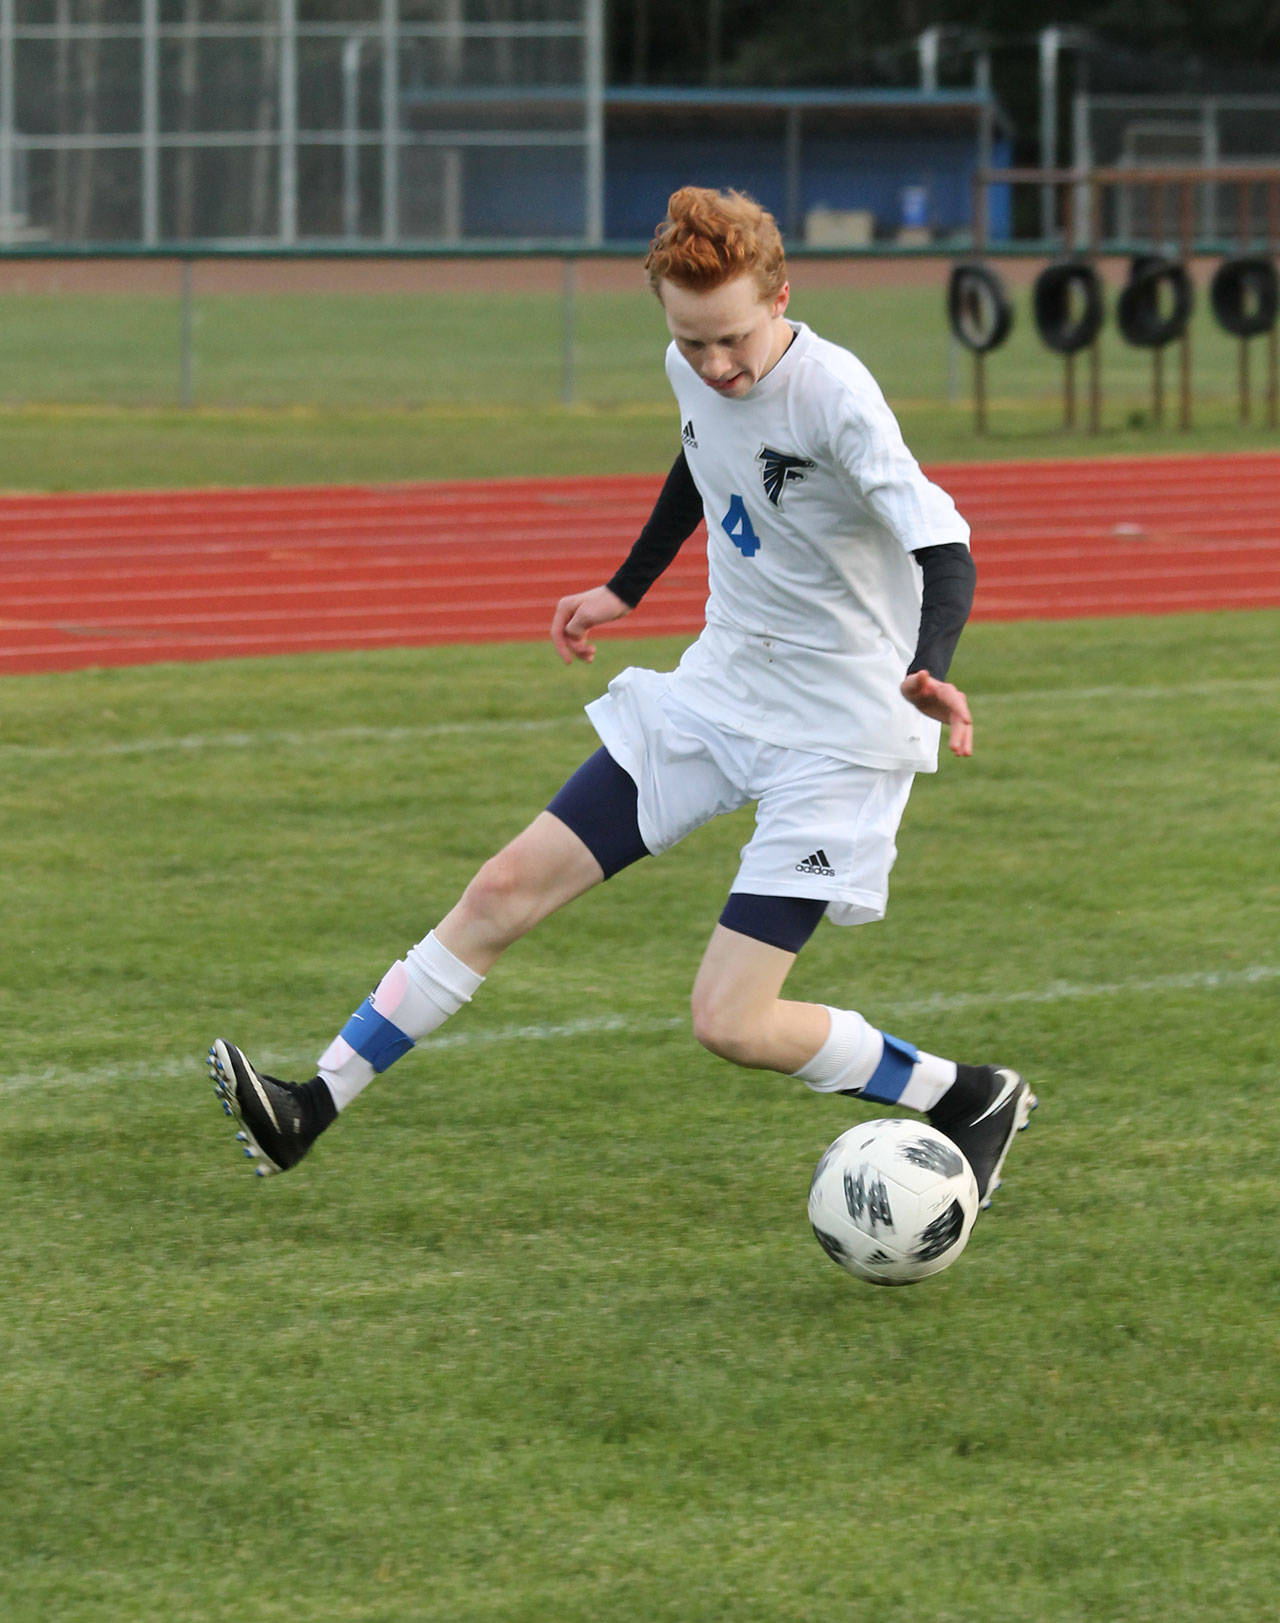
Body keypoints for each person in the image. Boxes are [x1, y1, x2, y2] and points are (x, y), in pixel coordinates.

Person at [210, 186, 1035, 1208]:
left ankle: (964, 1095)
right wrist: (621, 589)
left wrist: (931, 662)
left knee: (729, 1022)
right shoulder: (690, 370)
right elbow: (701, 461)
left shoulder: (837, 396)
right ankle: (309, 1105)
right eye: (690, 344)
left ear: (780, 296)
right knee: (502, 890)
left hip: (840, 732)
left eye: (731, 340)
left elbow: (941, 542)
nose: (713, 366)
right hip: (721, 690)